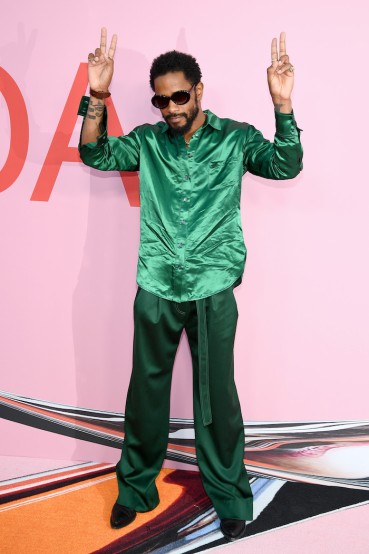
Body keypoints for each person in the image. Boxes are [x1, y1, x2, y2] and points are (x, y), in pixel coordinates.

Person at [78, 28, 303, 542]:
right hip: (156, 282)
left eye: (180, 96)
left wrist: (283, 105)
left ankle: (228, 496)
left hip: (213, 285)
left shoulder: (236, 138)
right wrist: (97, 96)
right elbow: (95, 154)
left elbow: (286, 165)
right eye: (161, 99)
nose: (171, 108)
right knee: (146, 395)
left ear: (199, 90)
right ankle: (135, 490)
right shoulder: (147, 142)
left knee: (217, 398)